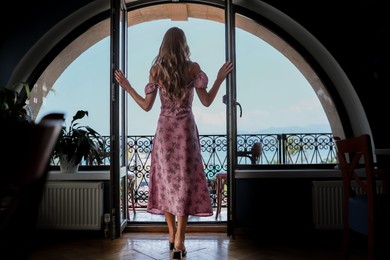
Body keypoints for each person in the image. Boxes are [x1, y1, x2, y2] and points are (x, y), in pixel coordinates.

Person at [114, 26, 233, 259]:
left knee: (166, 183)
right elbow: (207, 101)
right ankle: (179, 237)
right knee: (184, 184)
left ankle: (172, 236)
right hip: (186, 131)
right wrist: (219, 78)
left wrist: (127, 86)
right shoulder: (193, 69)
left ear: (164, 45)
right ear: (183, 44)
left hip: (165, 132)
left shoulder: (156, 71)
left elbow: (147, 106)